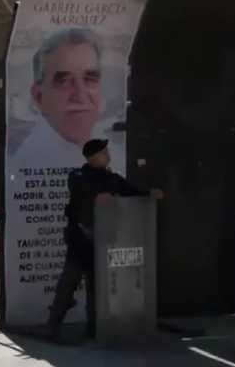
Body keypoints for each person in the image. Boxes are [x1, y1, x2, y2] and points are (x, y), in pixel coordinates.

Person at [45, 139, 164, 342]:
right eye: (104, 152)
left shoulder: (111, 177)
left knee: (97, 288)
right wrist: (103, 194)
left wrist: (149, 193)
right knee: (68, 283)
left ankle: (94, 328)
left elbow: (129, 189)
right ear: (93, 157)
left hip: (101, 242)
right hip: (80, 241)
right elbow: (87, 191)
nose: (108, 155)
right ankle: (52, 328)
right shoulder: (78, 176)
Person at [12, 28, 125, 172]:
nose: (81, 95)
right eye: (64, 81)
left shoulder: (116, 155)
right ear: (39, 96)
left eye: (90, 79)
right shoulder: (28, 163)